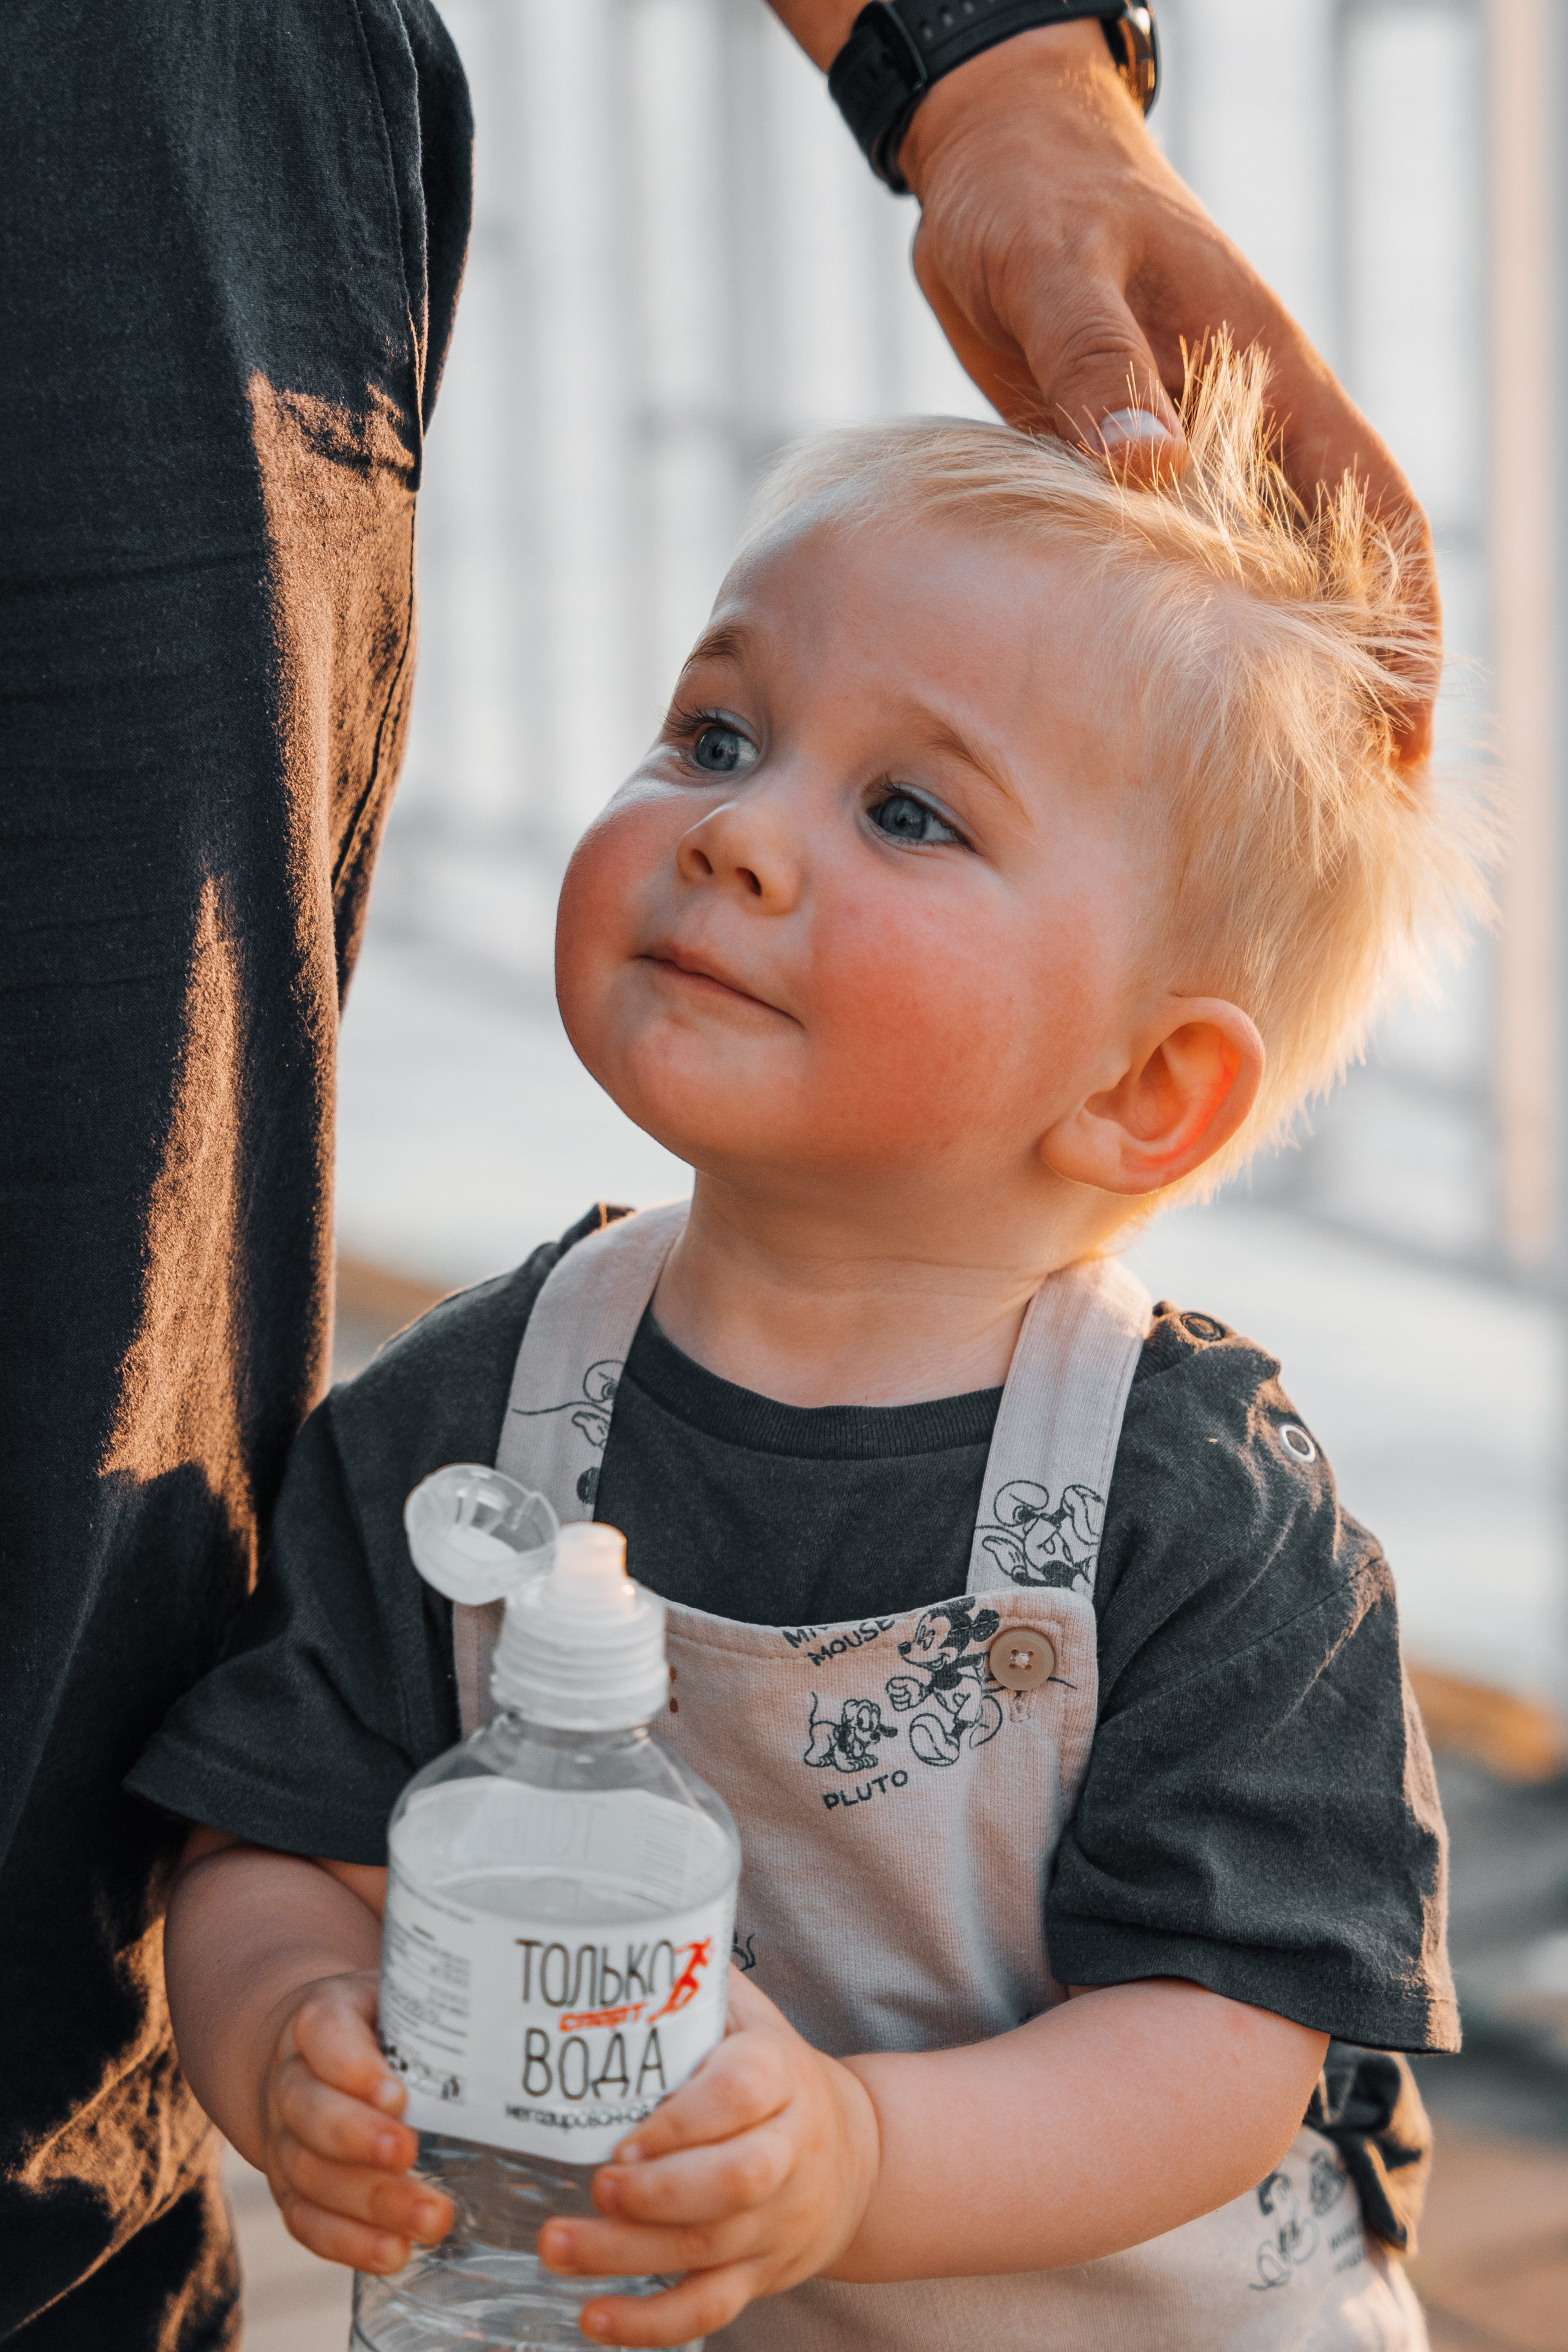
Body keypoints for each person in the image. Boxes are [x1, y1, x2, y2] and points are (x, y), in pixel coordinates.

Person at [0, 4, 1436, 2343]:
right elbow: (272, 1834)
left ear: (1142, 1097)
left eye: (906, 813)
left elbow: (1234, 2043)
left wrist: (858, 2156)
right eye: (716, 730)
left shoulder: (1197, 1505)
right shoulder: (473, 1415)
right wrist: (286, 2033)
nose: (738, 837)